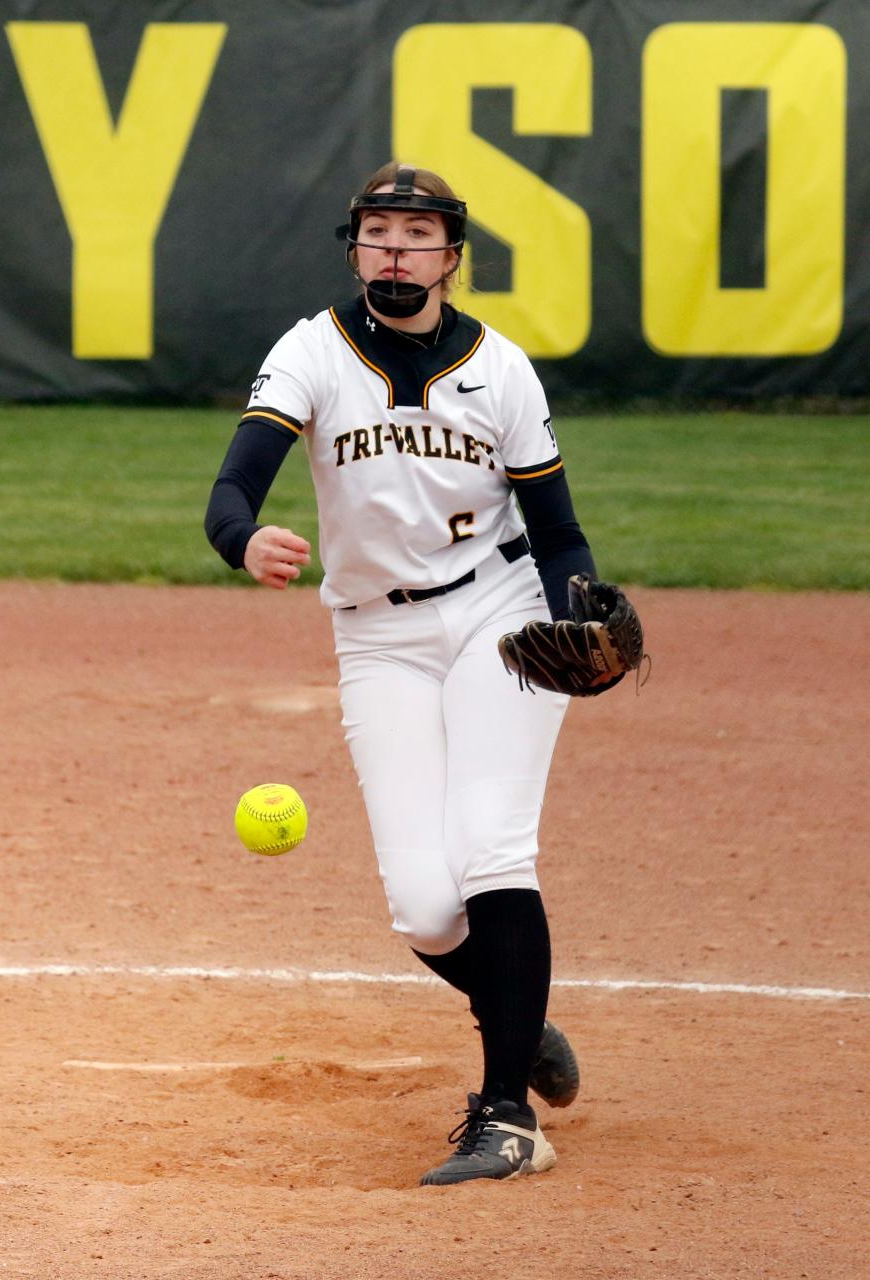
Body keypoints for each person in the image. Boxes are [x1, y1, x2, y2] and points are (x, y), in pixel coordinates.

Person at [205, 162, 605, 1187]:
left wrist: (580, 603)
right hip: (376, 636)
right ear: (355, 248)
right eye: (378, 232)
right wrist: (243, 538)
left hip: (498, 612)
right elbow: (237, 478)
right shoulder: (312, 351)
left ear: (450, 255)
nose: (395, 250)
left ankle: (508, 1112)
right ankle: (518, 1019)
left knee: (489, 847)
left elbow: (557, 532)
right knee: (425, 908)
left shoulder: (502, 367)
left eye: (416, 234)